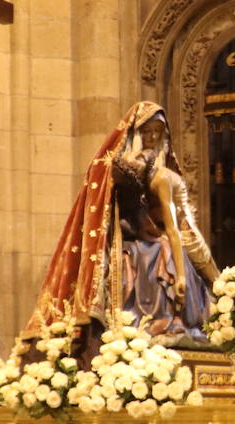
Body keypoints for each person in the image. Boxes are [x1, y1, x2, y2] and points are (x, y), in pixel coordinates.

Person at [24, 102, 220, 346]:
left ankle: (204, 316)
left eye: (156, 132)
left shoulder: (161, 178)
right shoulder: (139, 173)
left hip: (184, 232)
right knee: (153, 251)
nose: (151, 137)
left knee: (214, 281)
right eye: (145, 131)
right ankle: (154, 323)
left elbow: (173, 227)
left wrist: (180, 275)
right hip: (152, 235)